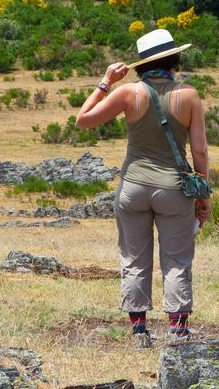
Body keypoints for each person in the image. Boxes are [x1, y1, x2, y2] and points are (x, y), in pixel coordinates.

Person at [76, 28, 211, 347]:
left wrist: (105, 82)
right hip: (174, 188)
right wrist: (203, 193)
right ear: (174, 58)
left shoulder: (129, 94)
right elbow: (200, 151)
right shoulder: (188, 95)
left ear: (142, 64)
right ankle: (177, 330)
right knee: (176, 258)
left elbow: (84, 120)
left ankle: (139, 331)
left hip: (132, 186)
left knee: (134, 257)